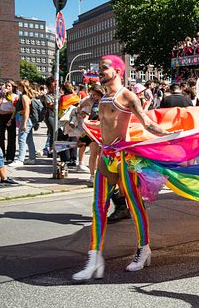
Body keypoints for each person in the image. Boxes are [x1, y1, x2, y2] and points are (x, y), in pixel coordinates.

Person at [72, 55, 171, 281]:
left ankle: (144, 249)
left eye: (104, 68)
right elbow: (97, 124)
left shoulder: (127, 96)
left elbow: (147, 123)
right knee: (98, 208)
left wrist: (169, 136)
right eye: (100, 69)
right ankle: (94, 257)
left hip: (124, 158)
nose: (100, 72)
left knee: (134, 205)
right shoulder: (102, 98)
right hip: (105, 158)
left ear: (118, 71)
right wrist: (84, 115)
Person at [0, 80, 17, 163]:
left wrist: (10, 118)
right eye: (6, 86)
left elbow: (14, 109)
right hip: (1, 117)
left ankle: (10, 156)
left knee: (11, 137)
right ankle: (1, 155)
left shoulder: (15, 96)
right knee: (1, 136)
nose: (7, 88)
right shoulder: (0, 95)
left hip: (10, 117)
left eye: (9, 86)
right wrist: (2, 95)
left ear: (12, 87)